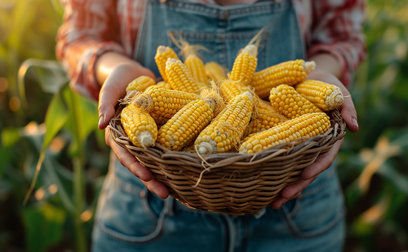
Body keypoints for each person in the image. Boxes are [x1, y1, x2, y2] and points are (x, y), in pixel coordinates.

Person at [56, 0, 365, 251]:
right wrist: (114, 69)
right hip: (149, 210)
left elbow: (343, 33)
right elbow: (79, 36)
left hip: (298, 208)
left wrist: (320, 81)